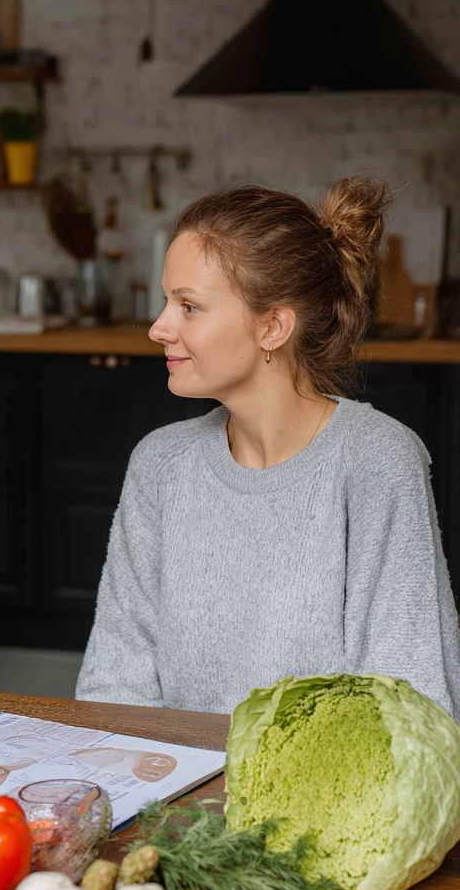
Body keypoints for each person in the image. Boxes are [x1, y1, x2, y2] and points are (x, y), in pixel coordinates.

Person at [76, 176, 460, 716]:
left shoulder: (376, 460)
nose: (158, 328)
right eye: (167, 302)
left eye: (189, 307)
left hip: (326, 797)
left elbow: (412, 702)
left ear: (273, 327)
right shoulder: (160, 464)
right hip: (176, 795)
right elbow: (114, 684)